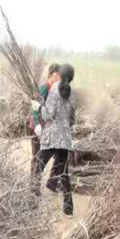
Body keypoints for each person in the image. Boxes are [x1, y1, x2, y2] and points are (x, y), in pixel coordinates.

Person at [32, 63, 76, 217]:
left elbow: (48, 115)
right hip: (64, 140)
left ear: (61, 75)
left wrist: (38, 107)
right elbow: (72, 119)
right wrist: (64, 126)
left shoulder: (54, 90)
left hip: (51, 138)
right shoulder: (72, 95)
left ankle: (31, 202)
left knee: (38, 167)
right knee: (63, 174)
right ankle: (68, 209)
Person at [30, 63, 61, 191]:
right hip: (38, 130)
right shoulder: (43, 88)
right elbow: (34, 107)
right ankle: (34, 188)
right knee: (37, 157)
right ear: (50, 74)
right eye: (56, 75)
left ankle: (52, 183)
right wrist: (37, 125)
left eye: (61, 76)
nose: (59, 78)